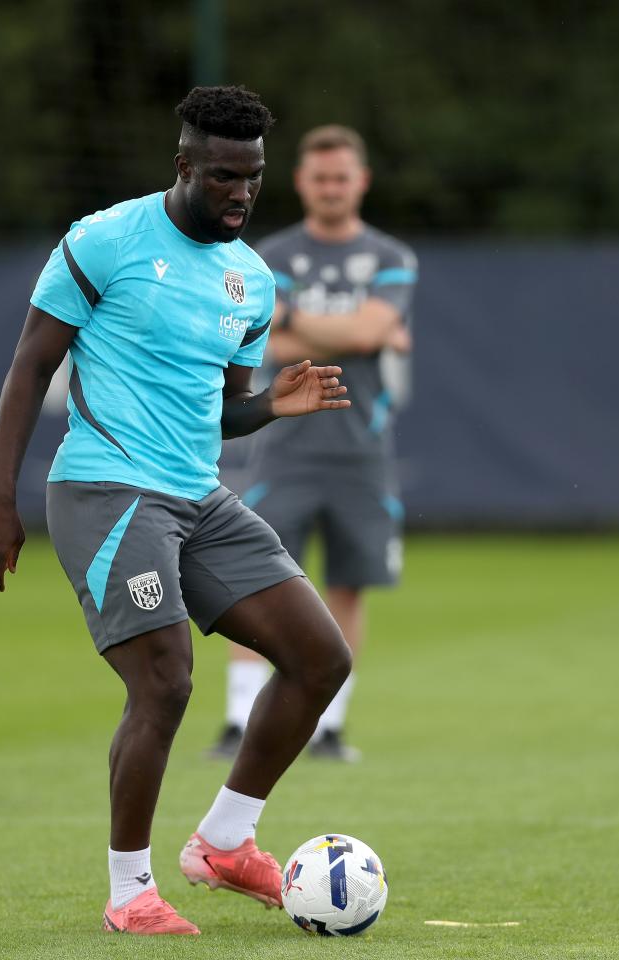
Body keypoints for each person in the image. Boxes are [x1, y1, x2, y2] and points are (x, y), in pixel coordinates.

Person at [0, 86, 353, 937]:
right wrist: (0, 497)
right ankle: (129, 892)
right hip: (106, 490)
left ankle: (224, 842)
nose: (240, 194)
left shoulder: (250, 279)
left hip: (198, 496)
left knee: (322, 658)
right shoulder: (104, 241)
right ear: (184, 166)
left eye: (251, 178)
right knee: (166, 681)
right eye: (223, 176)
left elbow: (222, 410)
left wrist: (272, 409)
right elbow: (30, 368)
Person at [209, 124, 417, 763]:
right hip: (285, 445)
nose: (331, 188)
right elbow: (268, 340)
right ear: (302, 182)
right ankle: (241, 719)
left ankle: (326, 727)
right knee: (255, 582)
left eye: (341, 177)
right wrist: (356, 333)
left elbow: (368, 328)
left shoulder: (391, 256)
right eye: (320, 177)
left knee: (349, 584)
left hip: (362, 449)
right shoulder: (264, 255)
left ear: (361, 181)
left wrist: (301, 322)